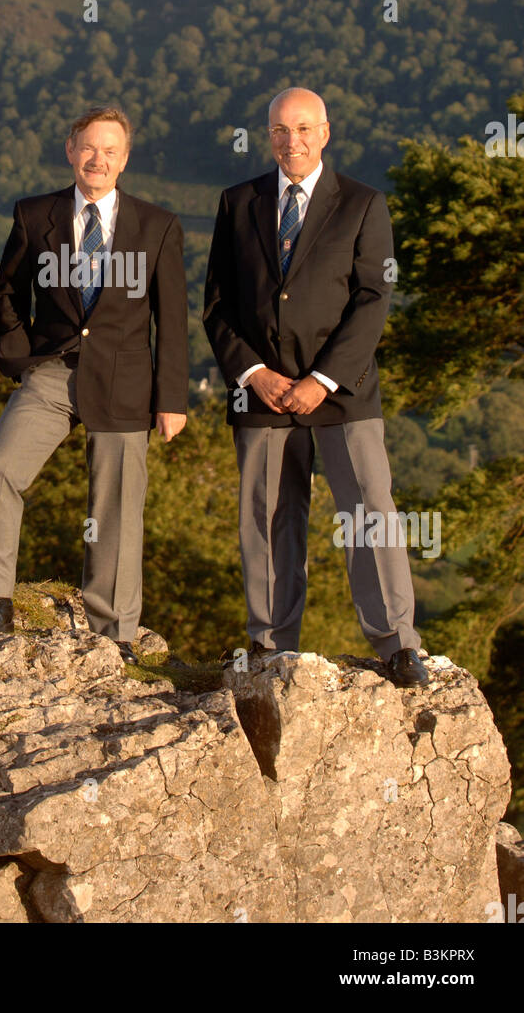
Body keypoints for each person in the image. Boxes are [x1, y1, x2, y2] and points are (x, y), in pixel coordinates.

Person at [203, 87, 428, 687]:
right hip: (265, 395)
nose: (291, 141)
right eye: (280, 130)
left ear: (325, 133)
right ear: (267, 135)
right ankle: (271, 646)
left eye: (303, 129)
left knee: (368, 513)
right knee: (269, 519)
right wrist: (257, 375)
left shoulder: (361, 204)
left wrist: (322, 380)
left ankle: (398, 644)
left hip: (343, 394)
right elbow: (218, 306)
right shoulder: (237, 202)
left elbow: (374, 300)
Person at [0, 106, 189, 662]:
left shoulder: (157, 225)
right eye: (88, 147)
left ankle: (115, 633)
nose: (98, 159)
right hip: (52, 374)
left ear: (125, 159)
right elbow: (5, 291)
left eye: (110, 150)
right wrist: (18, 354)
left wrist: (171, 399)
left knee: (117, 504)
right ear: (70, 150)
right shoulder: (35, 214)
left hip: (126, 381)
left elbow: (173, 319)